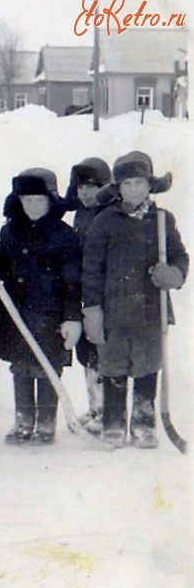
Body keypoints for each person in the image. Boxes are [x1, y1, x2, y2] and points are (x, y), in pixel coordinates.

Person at [82, 151, 188, 448]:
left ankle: (143, 422)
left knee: (146, 364)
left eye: (139, 183)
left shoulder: (162, 220)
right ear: (117, 189)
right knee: (113, 364)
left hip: (149, 310)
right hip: (113, 309)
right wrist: (91, 309)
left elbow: (180, 256)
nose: (133, 190)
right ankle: (113, 422)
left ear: (150, 185)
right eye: (126, 184)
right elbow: (91, 268)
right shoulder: (105, 221)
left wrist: (173, 274)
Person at [0, 168, 82, 445]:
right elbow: (1, 266)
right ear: (18, 201)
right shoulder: (10, 231)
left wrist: (72, 317)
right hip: (17, 313)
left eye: (39, 200)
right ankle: (24, 421)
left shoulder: (64, 235)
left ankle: (46, 424)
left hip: (50, 315)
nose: (33, 206)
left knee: (47, 368)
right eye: (27, 200)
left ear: (50, 201)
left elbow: (72, 282)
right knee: (22, 367)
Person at [62, 157, 112, 434]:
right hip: (84, 293)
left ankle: (107, 411)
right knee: (87, 353)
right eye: (81, 187)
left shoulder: (110, 215)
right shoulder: (79, 214)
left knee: (102, 353)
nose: (86, 193)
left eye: (93, 187)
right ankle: (95, 407)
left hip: (103, 295)